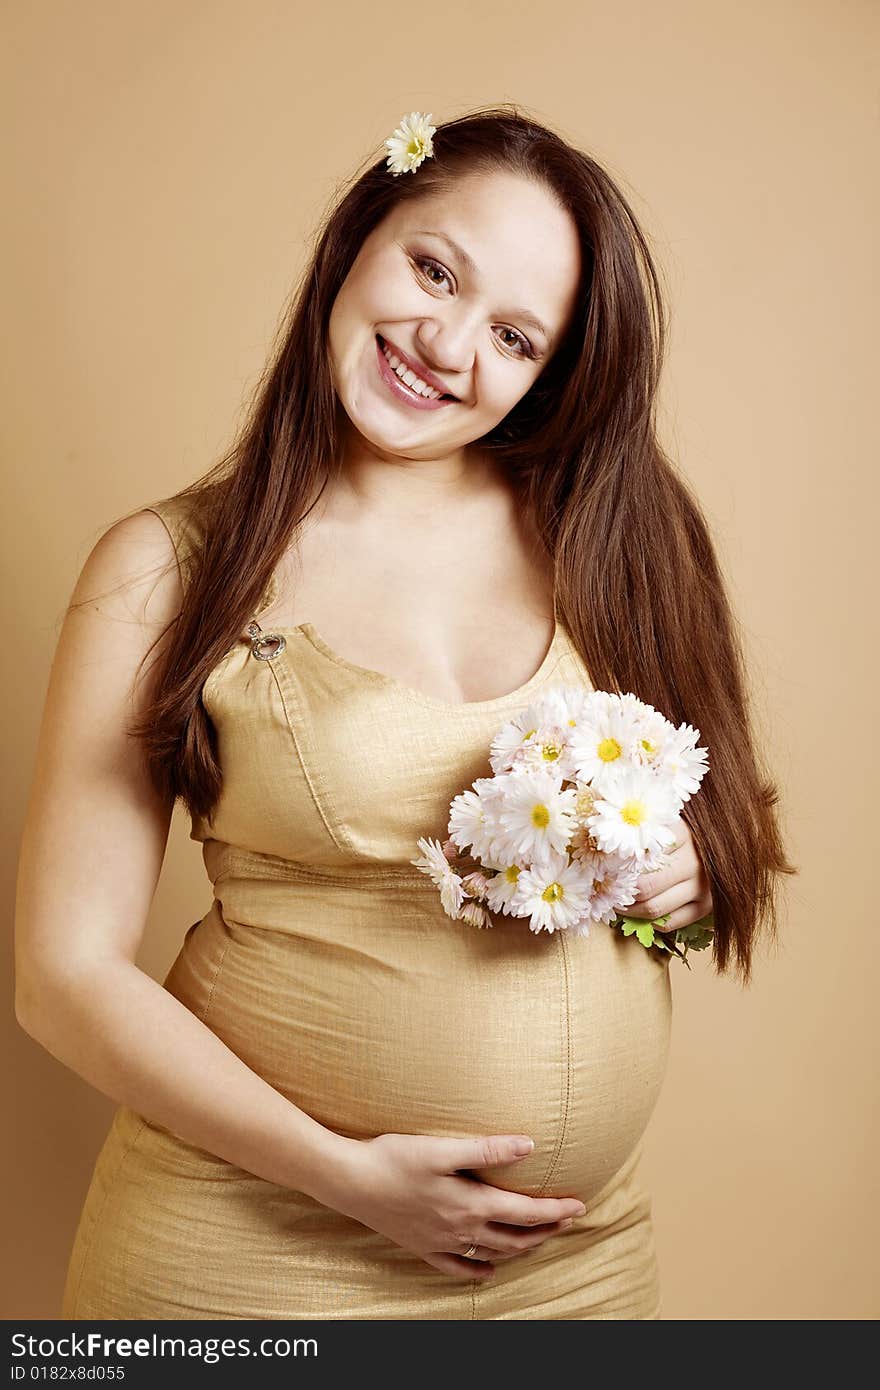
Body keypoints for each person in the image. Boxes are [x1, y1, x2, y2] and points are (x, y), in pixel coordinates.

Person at [14, 107, 795, 1320]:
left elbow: (720, 811)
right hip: (255, 1253)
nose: (445, 342)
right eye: (433, 268)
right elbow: (61, 975)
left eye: (515, 336)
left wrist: (699, 861)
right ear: (357, 236)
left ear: (549, 377)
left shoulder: (618, 539)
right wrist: (347, 1179)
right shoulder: (170, 568)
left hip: (576, 1274)